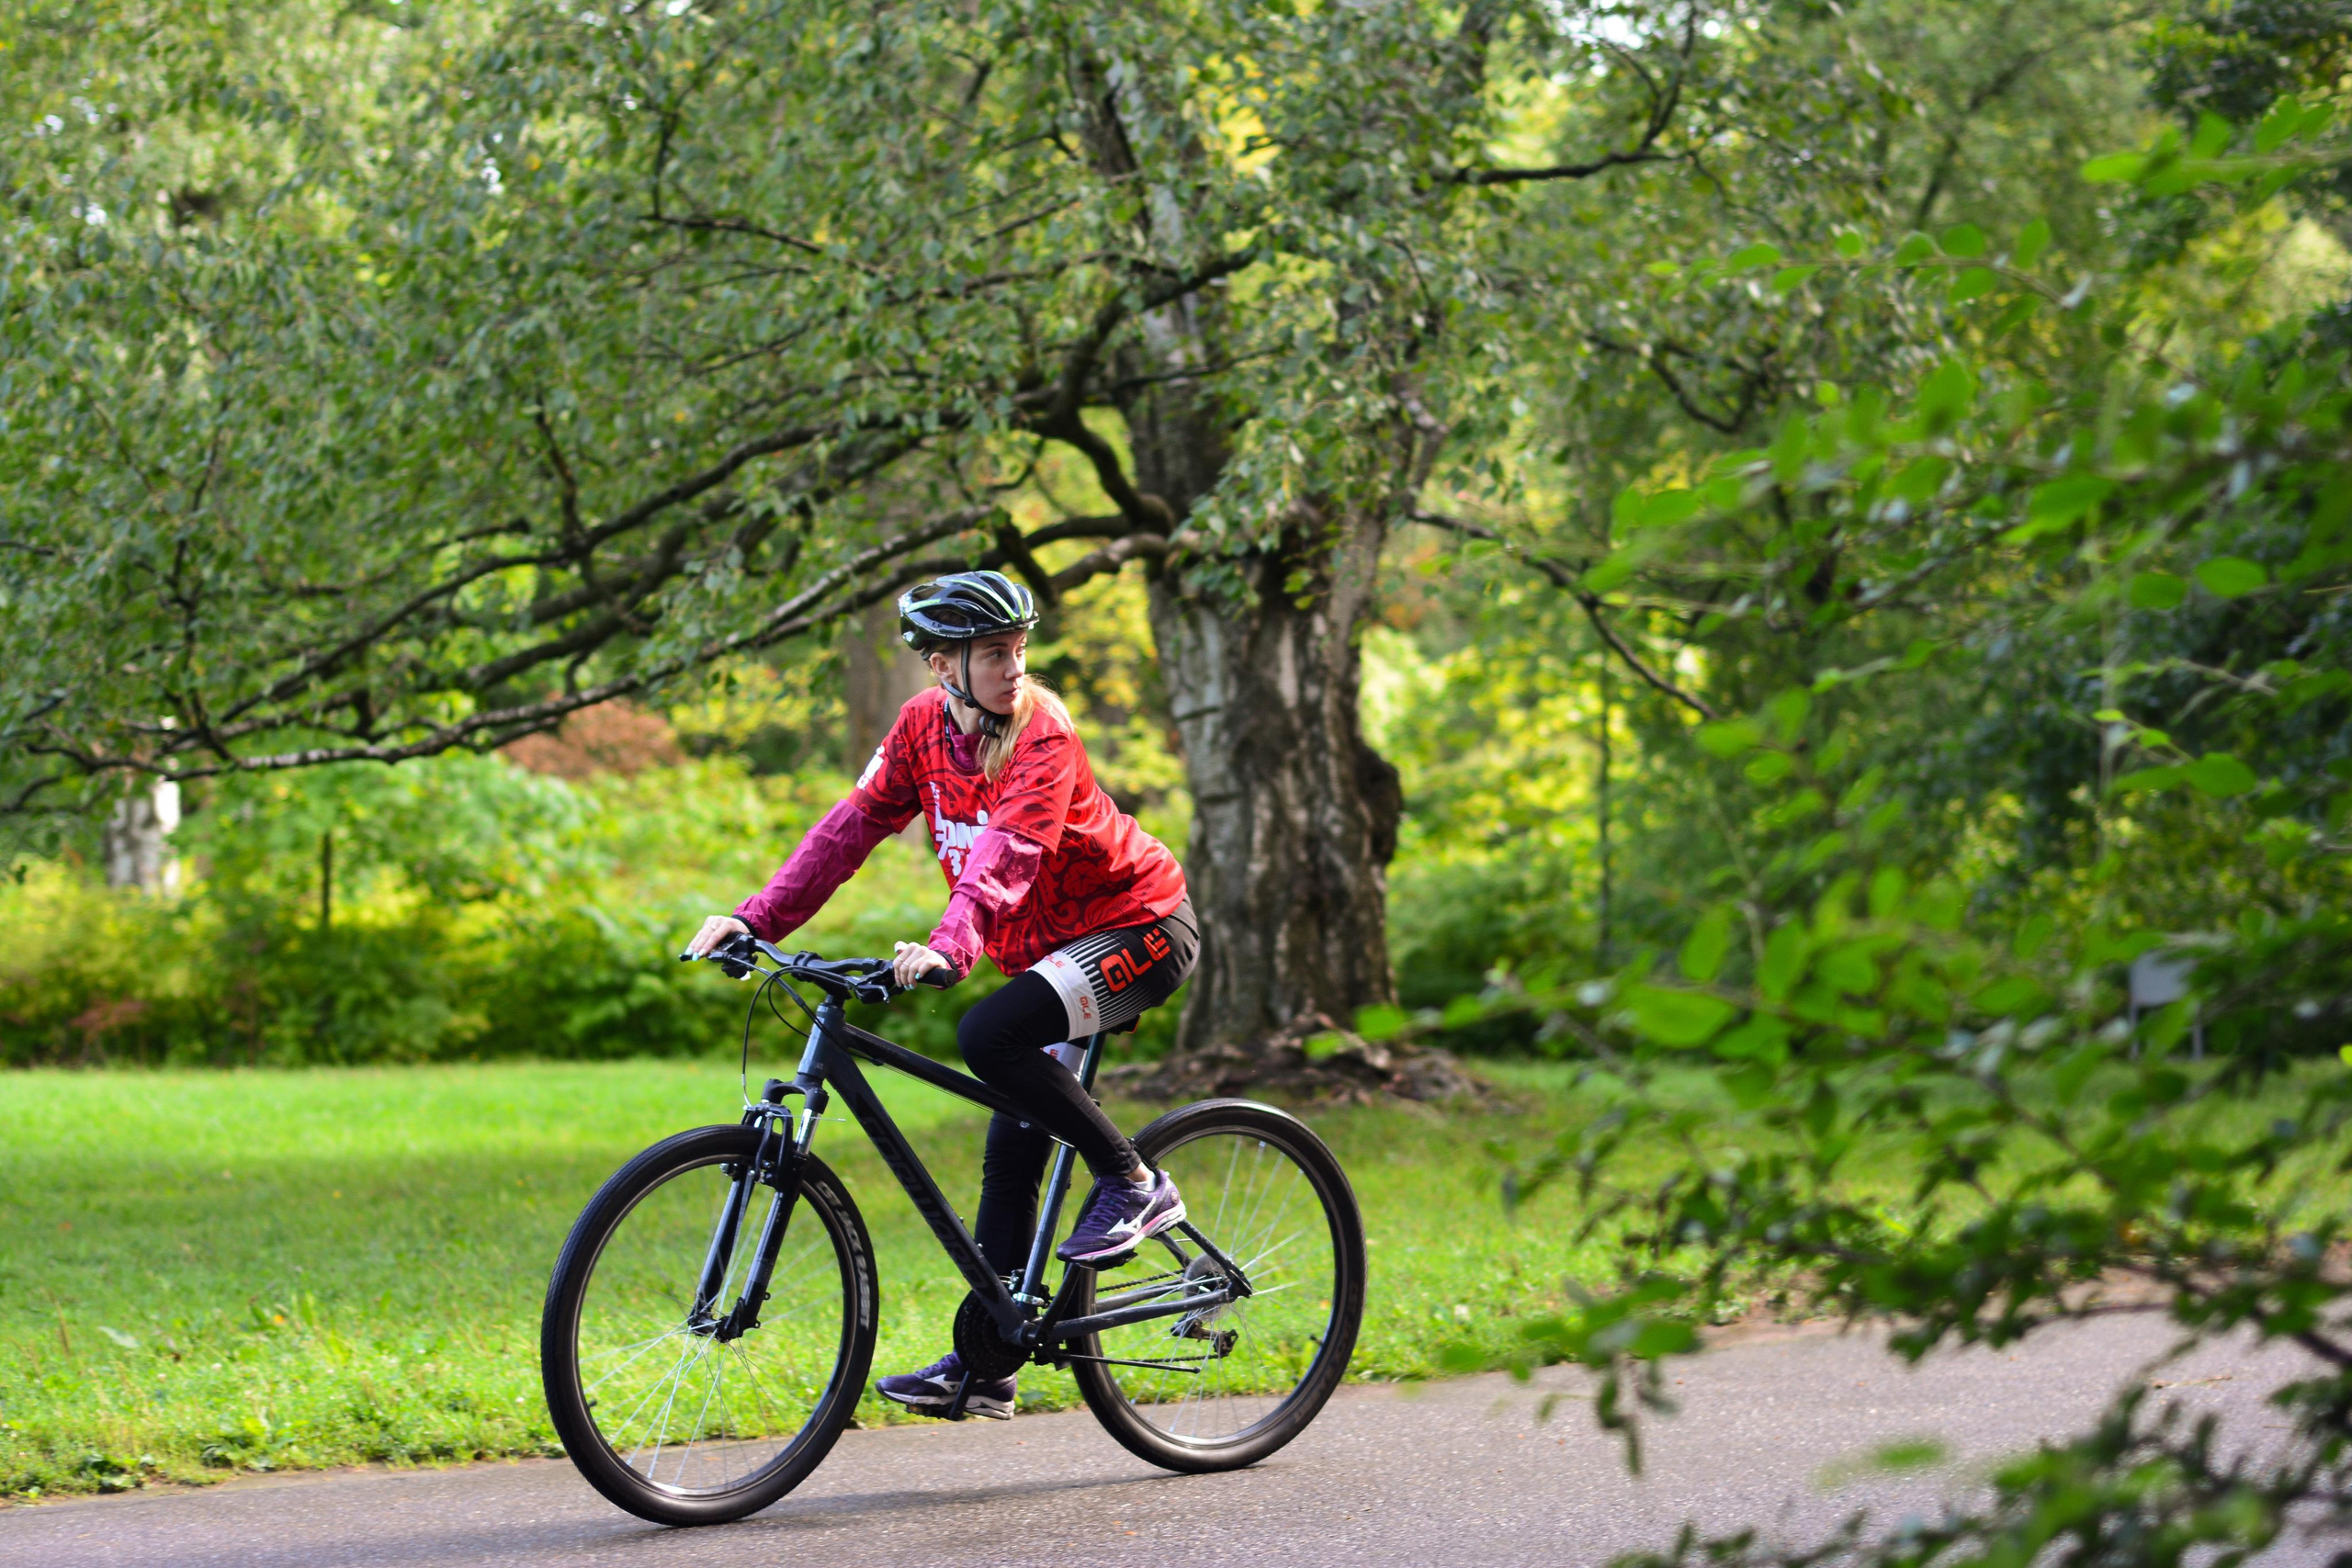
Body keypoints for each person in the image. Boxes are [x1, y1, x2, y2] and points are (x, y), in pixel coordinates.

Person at [684, 570, 1198, 1421]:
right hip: (1052, 951)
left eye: (1021, 649)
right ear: (940, 665)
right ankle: (989, 1357)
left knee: (989, 1034)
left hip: (1140, 928)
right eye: (995, 652)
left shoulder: (1044, 735)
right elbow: (847, 830)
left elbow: (1006, 856)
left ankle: (1134, 1178)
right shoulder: (923, 727)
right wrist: (755, 921)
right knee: (1011, 1143)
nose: (1014, 667)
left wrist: (949, 946)